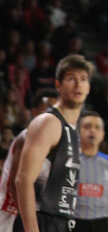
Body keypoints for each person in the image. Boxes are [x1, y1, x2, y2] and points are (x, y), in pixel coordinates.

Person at [15, 56, 93, 232]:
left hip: (61, 221)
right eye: (71, 78)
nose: (78, 84)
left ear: (88, 87)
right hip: (41, 220)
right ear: (58, 85)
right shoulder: (48, 122)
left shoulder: (74, 129)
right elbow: (23, 180)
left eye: (83, 79)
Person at [0, 89, 57, 232]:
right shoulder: (27, 136)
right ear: (35, 113)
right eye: (47, 110)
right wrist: (28, 223)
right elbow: (15, 184)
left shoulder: (55, 142)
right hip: (10, 212)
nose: (52, 117)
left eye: (55, 112)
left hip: (35, 214)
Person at [75, 112, 108, 232]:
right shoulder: (69, 159)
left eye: (97, 127)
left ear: (102, 135)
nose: (92, 131)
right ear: (78, 131)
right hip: (74, 221)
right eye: (87, 126)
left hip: (101, 224)